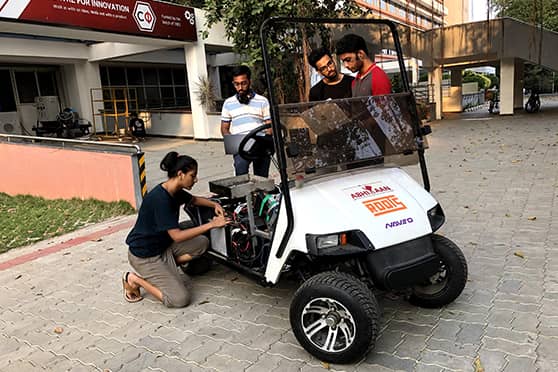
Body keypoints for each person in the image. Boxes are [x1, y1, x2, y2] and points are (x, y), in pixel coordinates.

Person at [123, 151, 228, 308]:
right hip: (145, 255)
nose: (196, 179)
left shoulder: (173, 190)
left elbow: (194, 200)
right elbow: (177, 236)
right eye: (193, 175)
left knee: (202, 243)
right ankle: (134, 279)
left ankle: (166, 267)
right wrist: (212, 224)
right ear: (181, 174)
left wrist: (215, 204)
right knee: (179, 299)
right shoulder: (161, 199)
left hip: (163, 246)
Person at [221, 65, 273, 177]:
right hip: (240, 147)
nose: (240, 87)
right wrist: (233, 145)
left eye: (243, 83)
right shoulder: (228, 103)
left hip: (260, 144)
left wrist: (265, 141)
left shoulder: (262, 101)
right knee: (241, 179)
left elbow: (269, 126)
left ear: (249, 81)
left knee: (262, 179)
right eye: (236, 84)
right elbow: (224, 128)